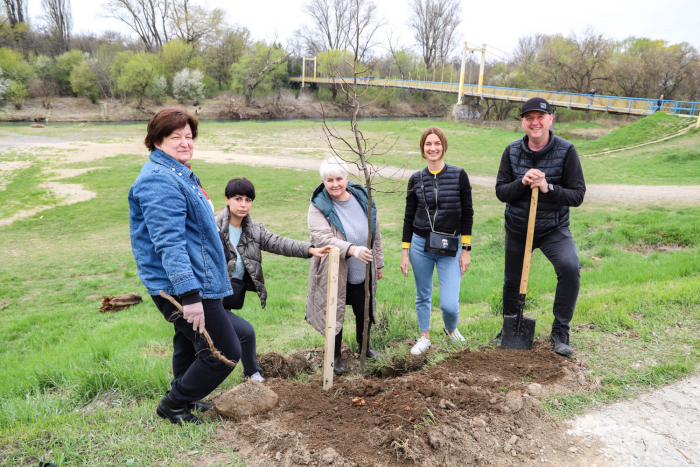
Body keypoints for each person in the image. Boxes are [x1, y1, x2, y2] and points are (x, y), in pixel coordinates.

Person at [129, 108, 247, 425]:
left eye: (188, 136)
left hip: (197, 277)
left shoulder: (177, 172)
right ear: (156, 140)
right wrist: (190, 295)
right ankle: (174, 404)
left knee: (188, 342)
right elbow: (169, 242)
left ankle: (188, 399)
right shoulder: (158, 181)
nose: (185, 143)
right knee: (224, 351)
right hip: (183, 285)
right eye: (175, 137)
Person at [493, 97, 586, 357]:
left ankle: (560, 332)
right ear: (522, 123)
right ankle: (510, 326)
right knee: (512, 281)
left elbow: (577, 195)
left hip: (552, 229)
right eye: (529, 118)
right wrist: (522, 182)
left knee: (570, 269)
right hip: (518, 227)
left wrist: (548, 188)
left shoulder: (566, 151)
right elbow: (501, 192)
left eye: (540, 117)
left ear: (550, 119)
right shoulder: (511, 151)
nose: (535, 122)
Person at [214, 177, 332, 380]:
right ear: (227, 200)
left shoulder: (254, 229)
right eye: (238, 199)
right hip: (211, 296)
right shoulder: (213, 228)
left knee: (221, 339)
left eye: (248, 200)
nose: (243, 205)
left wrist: (310, 249)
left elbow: (278, 243)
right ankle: (252, 374)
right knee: (246, 332)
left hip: (230, 295)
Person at [306, 156, 384, 375]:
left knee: (364, 311)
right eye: (329, 180)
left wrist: (379, 262)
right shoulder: (318, 206)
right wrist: (353, 249)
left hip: (363, 269)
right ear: (323, 181)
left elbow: (375, 232)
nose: (335, 184)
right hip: (335, 272)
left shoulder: (362, 198)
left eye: (339, 178)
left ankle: (364, 347)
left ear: (347, 178)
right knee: (335, 313)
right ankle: (336, 355)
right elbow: (323, 239)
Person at [400, 127, 474, 356]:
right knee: (423, 294)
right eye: (428, 144)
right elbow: (408, 217)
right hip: (420, 246)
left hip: (449, 247)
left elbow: (468, 213)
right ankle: (425, 337)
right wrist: (405, 251)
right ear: (422, 149)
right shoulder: (416, 179)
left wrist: (466, 250)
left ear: (444, 146)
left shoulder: (459, 175)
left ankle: (451, 329)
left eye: (437, 143)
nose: (433, 148)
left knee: (449, 304)